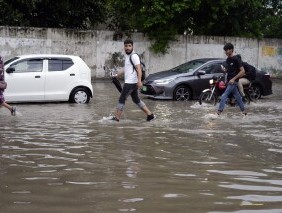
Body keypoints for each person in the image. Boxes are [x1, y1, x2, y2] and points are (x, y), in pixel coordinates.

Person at [110, 38, 155, 122]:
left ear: (132, 47)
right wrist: (116, 74)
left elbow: (139, 69)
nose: (127, 48)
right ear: (124, 47)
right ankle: (150, 115)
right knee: (136, 100)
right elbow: (126, 69)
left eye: (129, 46)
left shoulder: (134, 56)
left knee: (122, 99)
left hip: (131, 82)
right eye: (126, 46)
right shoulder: (127, 56)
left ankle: (116, 118)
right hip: (132, 82)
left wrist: (139, 81)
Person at [217, 43, 247, 116]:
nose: (226, 52)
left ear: (231, 50)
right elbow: (228, 70)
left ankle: (219, 112)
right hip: (229, 81)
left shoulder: (236, 59)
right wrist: (224, 70)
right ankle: (244, 111)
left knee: (224, 95)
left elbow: (242, 71)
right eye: (225, 50)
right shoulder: (228, 59)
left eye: (227, 50)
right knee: (237, 96)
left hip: (233, 82)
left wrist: (234, 79)